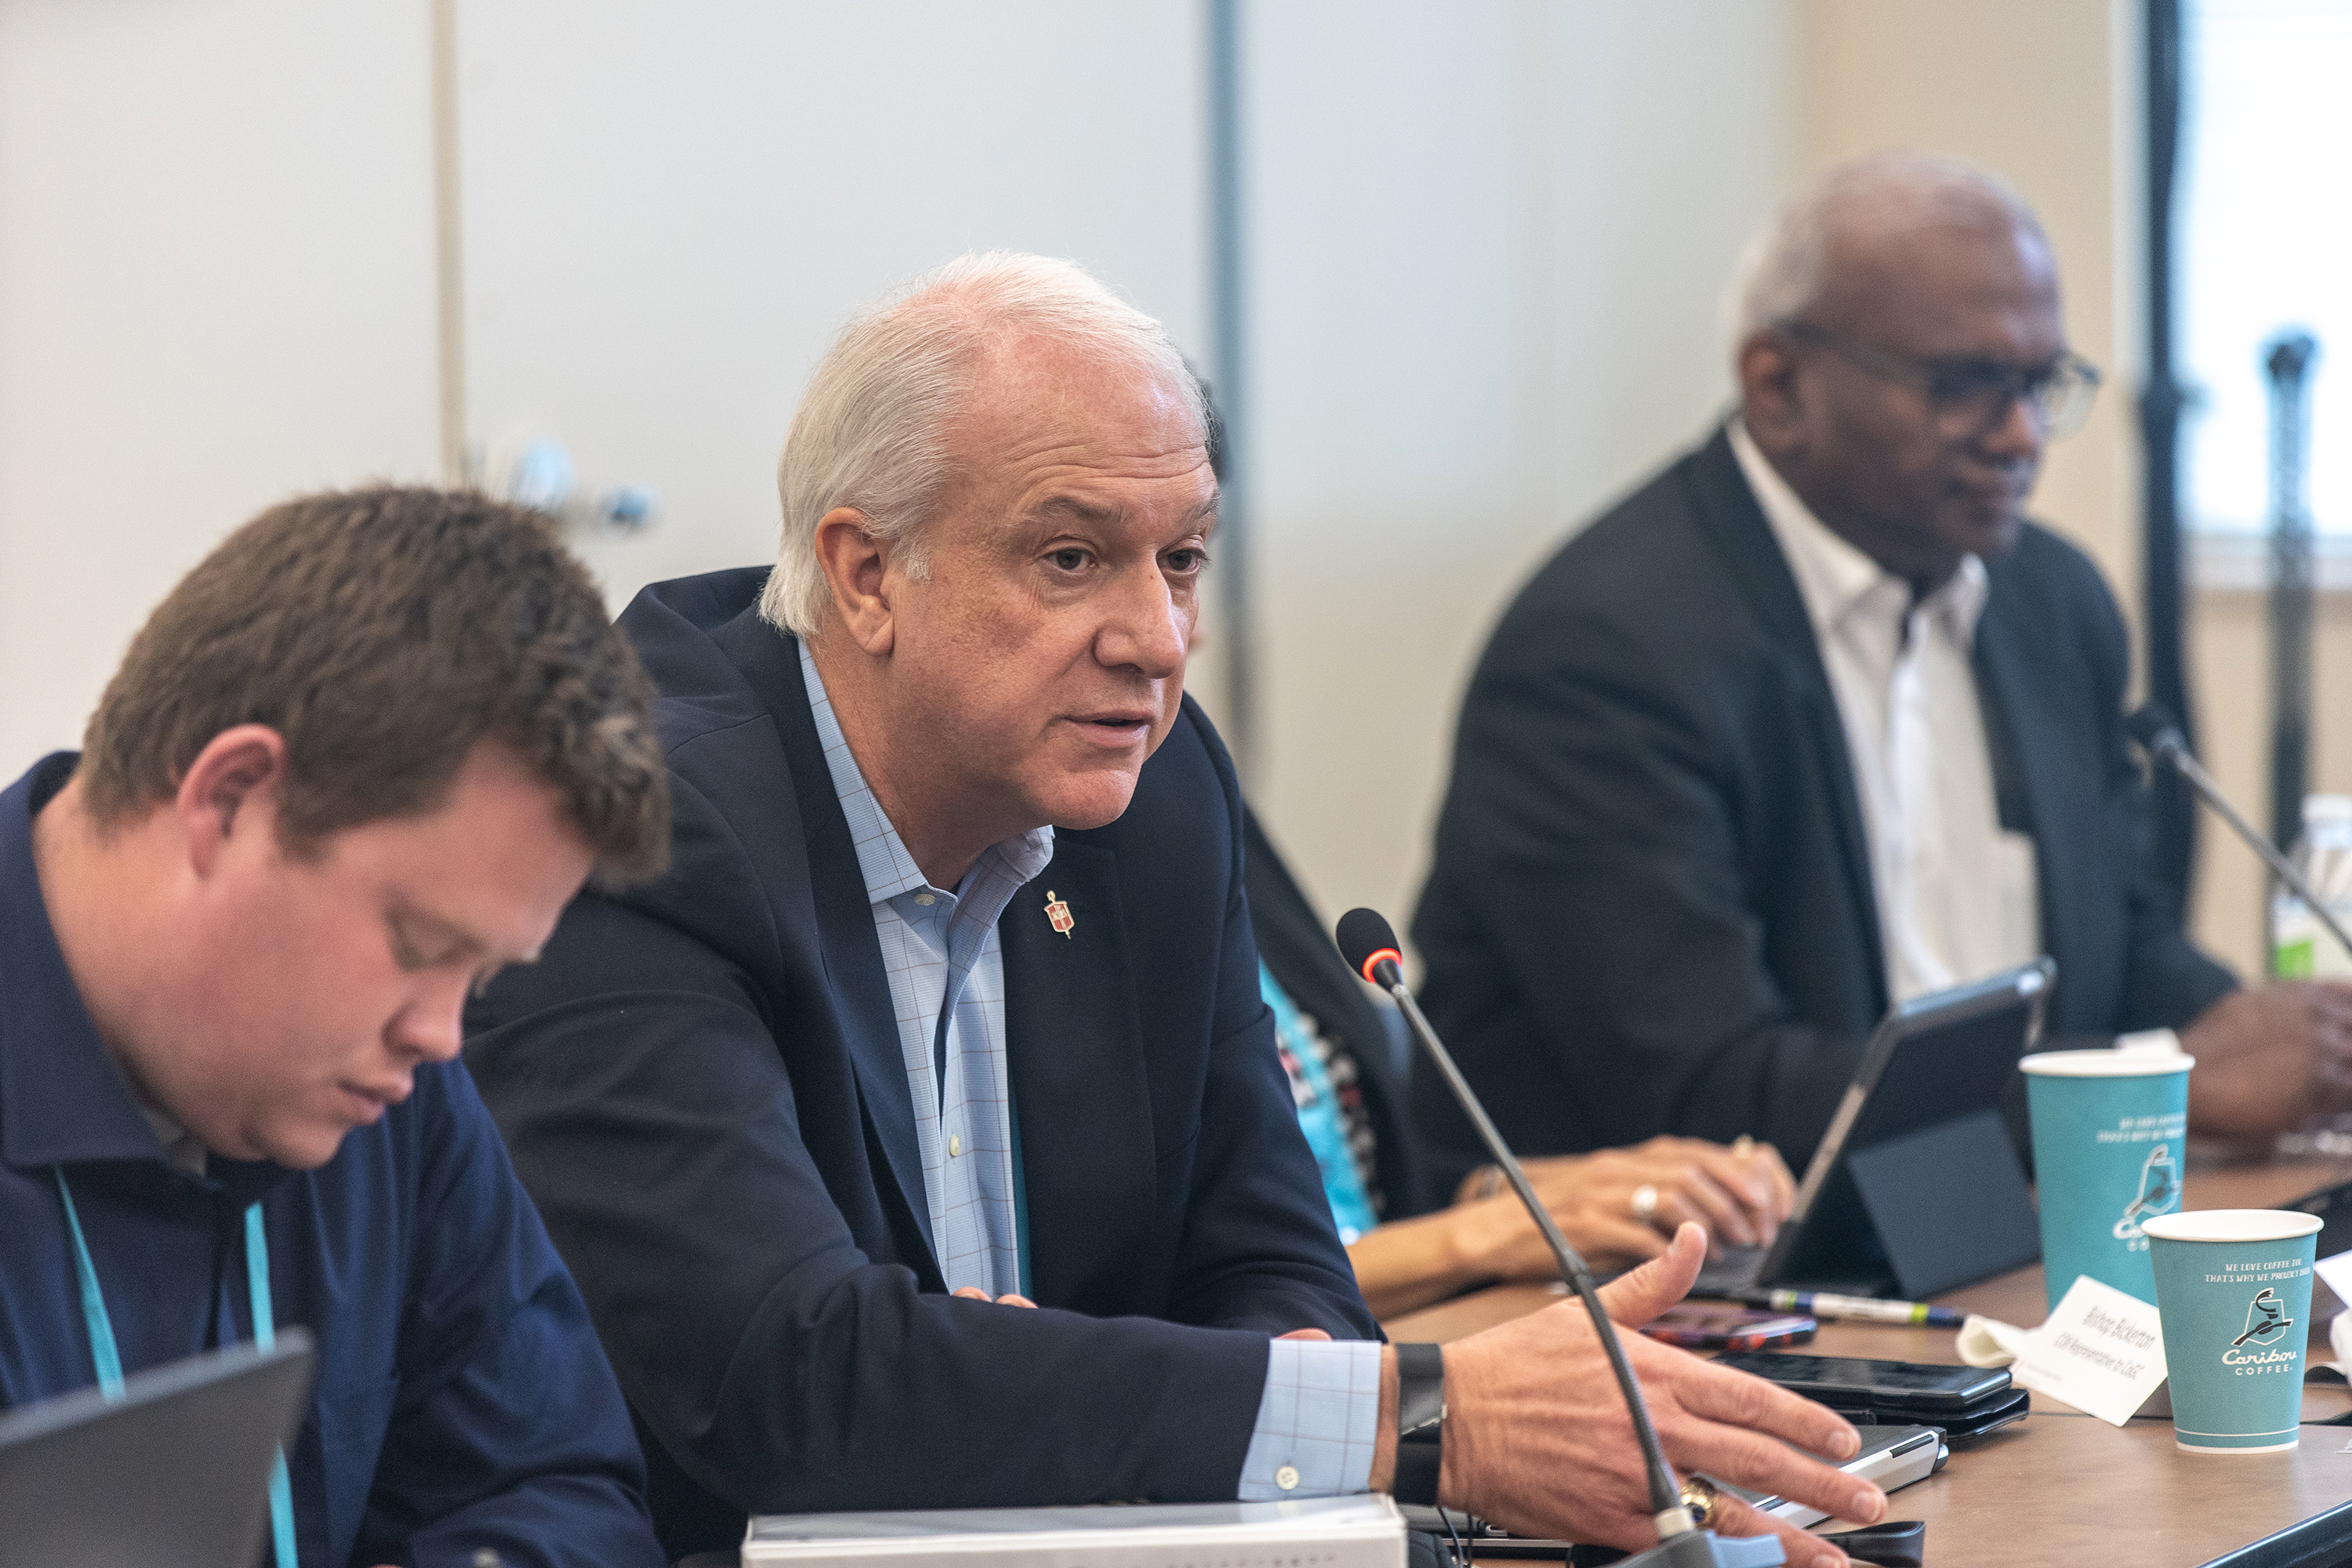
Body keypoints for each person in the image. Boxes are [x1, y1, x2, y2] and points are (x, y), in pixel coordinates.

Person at [464, 252, 1886, 1568]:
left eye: (1184, 559)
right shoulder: (640, 819)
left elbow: (1269, 1259)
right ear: (866, 572)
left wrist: (1029, 1391)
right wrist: (1434, 1416)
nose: (1154, 641)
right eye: (1072, 558)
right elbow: (794, 1386)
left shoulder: (1147, 788)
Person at [1412, 149, 2352, 1192]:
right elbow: (1717, 1096)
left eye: (2041, 384)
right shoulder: (1604, 654)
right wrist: (2158, 1083)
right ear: (1776, 384)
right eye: (1965, 387)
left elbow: (2119, 944)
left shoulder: (2053, 603)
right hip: (1680, 1281)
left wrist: (2271, 1041)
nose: (2020, 437)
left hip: (2002, 1220)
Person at [1, 489, 670, 1567]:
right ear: (230, 800)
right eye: (415, 942)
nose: (443, 1035)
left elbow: (558, 1486)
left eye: (483, 975)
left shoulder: (382, 1086)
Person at [1243, 803, 1796, 1318]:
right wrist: (1491, 1233)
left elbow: (1352, 1185)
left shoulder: (1202, 781)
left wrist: (1567, 1189)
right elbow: (1194, 1293)